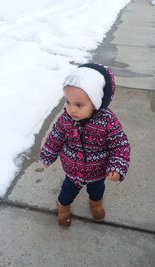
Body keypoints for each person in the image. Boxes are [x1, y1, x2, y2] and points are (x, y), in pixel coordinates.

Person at [40, 63, 131, 227]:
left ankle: (96, 203)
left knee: (97, 190)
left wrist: (117, 166)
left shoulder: (108, 122)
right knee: (67, 191)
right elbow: (56, 136)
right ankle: (63, 206)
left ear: (96, 102)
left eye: (79, 105)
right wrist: (48, 154)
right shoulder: (66, 119)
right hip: (72, 169)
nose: (71, 109)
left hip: (98, 170)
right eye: (68, 102)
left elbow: (120, 145)